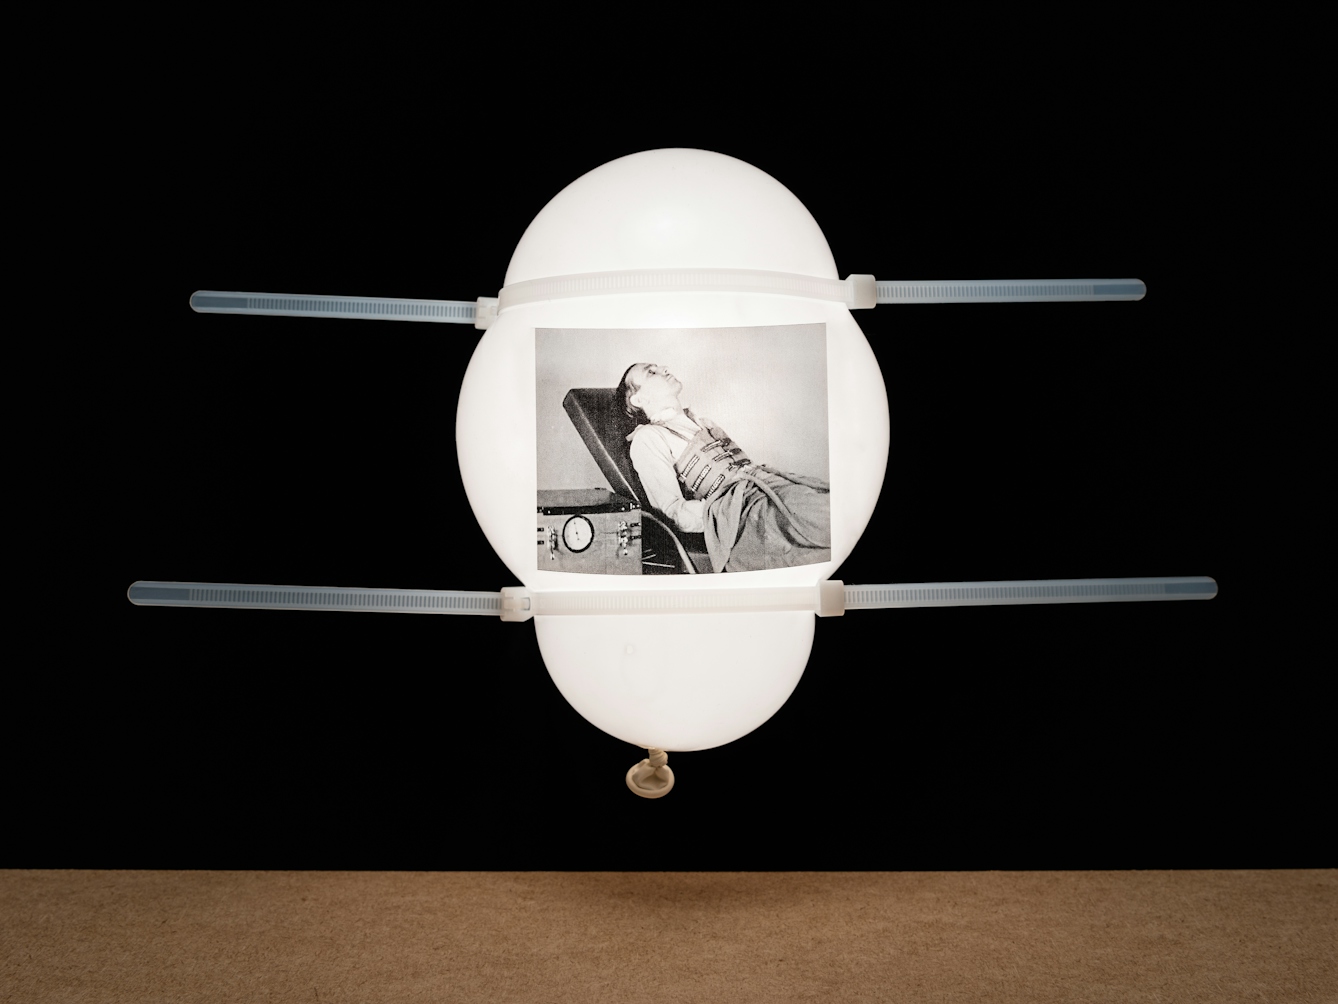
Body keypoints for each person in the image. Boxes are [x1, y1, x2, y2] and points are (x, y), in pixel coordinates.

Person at [617, 362, 831, 573]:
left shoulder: (702, 422)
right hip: (744, 513)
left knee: (831, 503)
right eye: (651, 372)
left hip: (771, 487)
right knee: (825, 519)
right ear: (638, 399)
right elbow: (673, 512)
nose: (664, 368)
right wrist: (725, 517)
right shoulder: (648, 438)